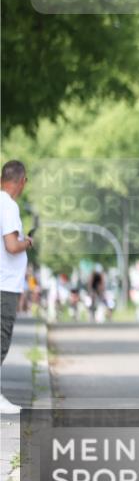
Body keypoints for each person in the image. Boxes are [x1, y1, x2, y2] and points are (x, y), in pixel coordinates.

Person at [1, 160, 32, 414]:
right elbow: (11, 246)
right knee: (1, 338)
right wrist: (27, 242)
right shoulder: (8, 206)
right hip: (5, 285)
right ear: (22, 181)